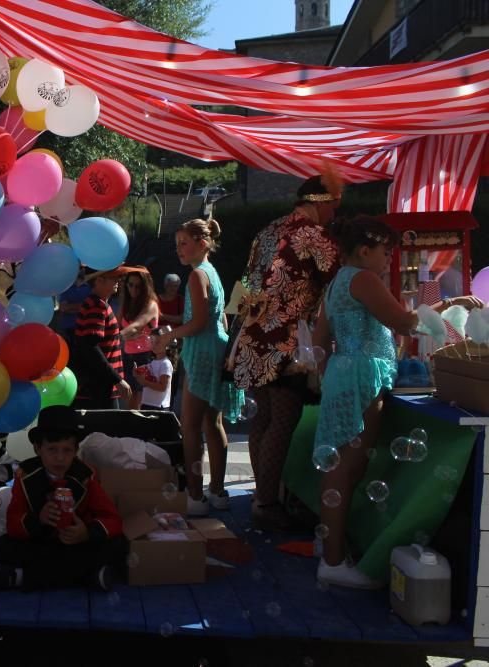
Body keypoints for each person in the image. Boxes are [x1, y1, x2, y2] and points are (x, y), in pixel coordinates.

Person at [312, 215, 483, 588]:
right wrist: (451, 302)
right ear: (364, 250)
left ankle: (329, 547)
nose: (389, 259)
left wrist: (331, 375)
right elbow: (405, 323)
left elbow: (320, 338)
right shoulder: (363, 277)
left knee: (340, 469)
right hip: (362, 376)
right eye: (385, 252)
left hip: (345, 374)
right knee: (346, 470)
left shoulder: (337, 283)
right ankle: (333, 561)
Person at [231, 175, 341, 531]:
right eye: (333, 206)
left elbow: (245, 285)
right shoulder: (315, 236)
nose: (334, 213)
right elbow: (339, 285)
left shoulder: (266, 230)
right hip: (287, 340)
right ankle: (267, 503)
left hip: (252, 335)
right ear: (320, 201)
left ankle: (262, 499)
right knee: (282, 420)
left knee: (262, 418)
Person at [0, 405, 126, 592]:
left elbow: (112, 519)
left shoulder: (86, 476)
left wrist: (86, 532)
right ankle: (85, 577)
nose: (60, 458)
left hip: (76, 545)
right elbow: (14, 522)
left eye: (67, 450)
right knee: (4, 546)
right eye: (52, 449)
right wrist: (38, 520)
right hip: (41, 544)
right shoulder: (26, 475)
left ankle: (19, 578)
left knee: (118, 544)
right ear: (38, 448)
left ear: (75, 451)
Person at [155, 219, 242, 517]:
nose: (179, 249)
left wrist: (168, 336)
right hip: (214, 350)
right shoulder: (211, 273)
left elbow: (199, 322)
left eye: (184, 243)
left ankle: (195, 495)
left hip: (201, 352)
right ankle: (217, 491)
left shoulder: (196, 277)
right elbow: (222, 320)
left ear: (202, 244)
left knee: (190, 425)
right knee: (212, 422)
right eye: (177, 243)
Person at [68, 265, 140, 410]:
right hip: (98, 389)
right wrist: (117, 379)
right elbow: (90, 347)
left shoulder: (97, 304)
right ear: (99, 281)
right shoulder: (96, 306)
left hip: (99, 387)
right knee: (106, 432)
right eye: (113, 278)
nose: (118, 281)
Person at [118, 269, 160, 410]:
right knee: (130, 403)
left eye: (138, 286)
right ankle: (130, 431)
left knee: (143, 405)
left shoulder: (151, 305)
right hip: (128, 356)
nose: (134, 289)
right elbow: (119, 326)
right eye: (130, 285)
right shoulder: (127, 304)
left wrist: (115, 338)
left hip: (146, 358)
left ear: (145, 286)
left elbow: (135, 327)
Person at [135, 327, 176, 410]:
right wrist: (137, 376)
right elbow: (144, 383)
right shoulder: (152, 362)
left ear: (167, 345)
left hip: (158, 406)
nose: (153, 345)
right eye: (152, 342)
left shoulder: (165, 364)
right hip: (147, 403)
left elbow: (162, 387)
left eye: (157, 342)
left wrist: (144, 381)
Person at [57, 266, 91, 343]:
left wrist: (72, 307)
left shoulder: (89, 287)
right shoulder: (66, 287)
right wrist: (83, 306)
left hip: (85, 328)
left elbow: (91, 307)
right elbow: (63, 308)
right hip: (69, 328)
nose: (82, 269)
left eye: (82, 267)